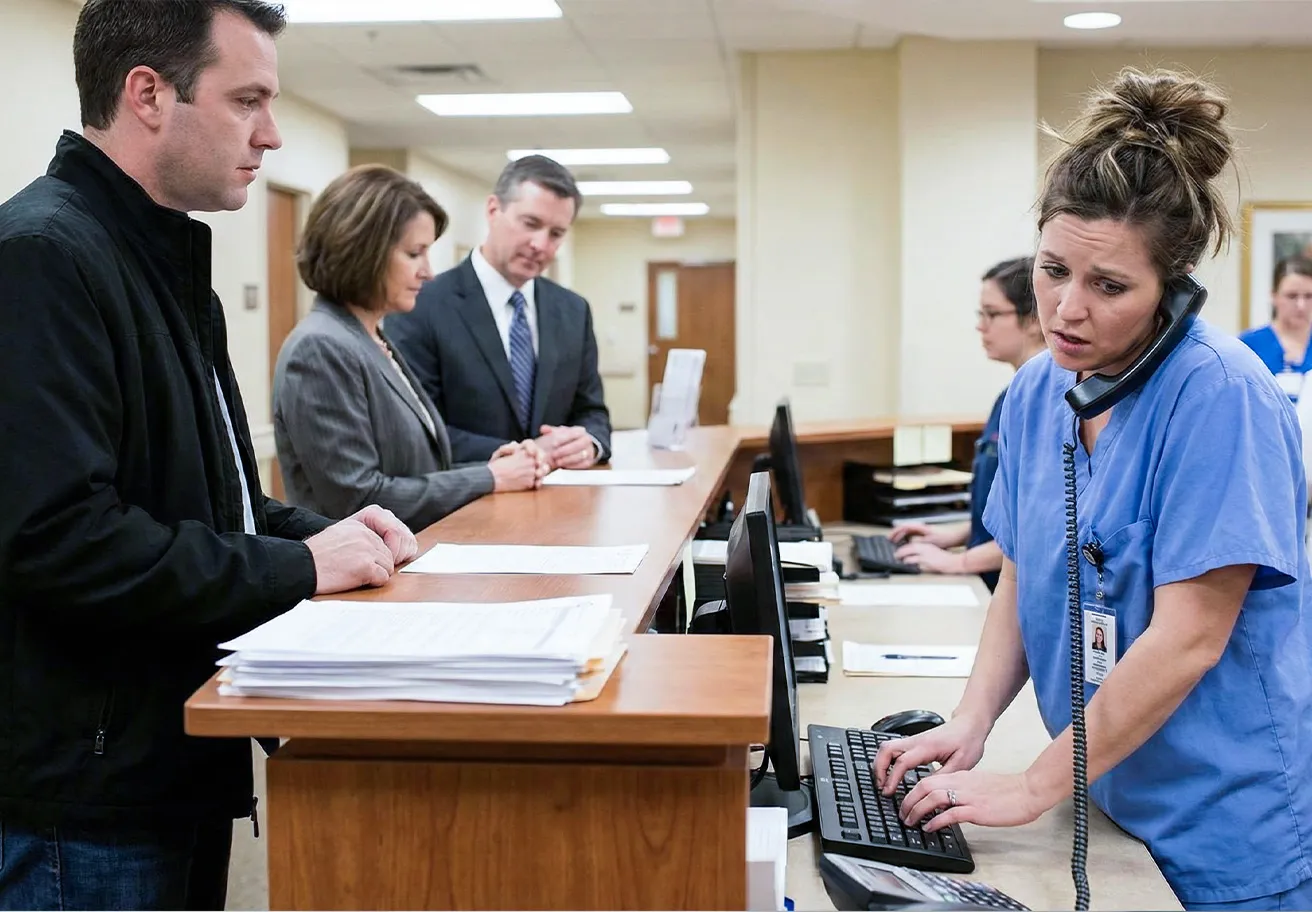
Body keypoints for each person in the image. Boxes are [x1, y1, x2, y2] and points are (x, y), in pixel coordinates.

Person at [0, 2, 418, 908]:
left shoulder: (164, 264)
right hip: (87, 798)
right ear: (147, 94)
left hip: (177, 756)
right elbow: (61, 539)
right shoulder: (42, 257)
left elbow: (216, 498)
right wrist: (302, 565)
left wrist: (340, 535)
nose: (270, 135)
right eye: (248, 100)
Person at [874, 67, 1312, 911]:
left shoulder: (1222, 397)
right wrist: (972, 722)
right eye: (1053, 270)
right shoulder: (1042, 390)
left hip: (1223, 816)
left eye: (1110, 287)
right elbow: (1024, 576)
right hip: (1107, 784)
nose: (1067, 311)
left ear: (1172, 292)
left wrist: (1036, 785)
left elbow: (1189, 638)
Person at [273, 165, 547, 532]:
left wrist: (495, 466)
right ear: (362, 251)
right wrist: (490, 477)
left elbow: (418, 471)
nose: (428, 272)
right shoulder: (320, 348)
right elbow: (358, 499)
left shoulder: (371, 337)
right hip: (361, 576)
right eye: (415, 253)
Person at [387, 155, 613, 468]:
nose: (541, 244)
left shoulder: (573, 310)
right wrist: (527, 453)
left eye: (556, 233)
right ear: (494, 210)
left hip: (562, 501)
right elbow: (416, 429)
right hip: (464, 502)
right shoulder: (421, 305)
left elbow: (592, 411)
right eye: (531, 224)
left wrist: (590, 442)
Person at [889, 256, 1045, 591]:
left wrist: (959, 561)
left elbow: (1039, 528)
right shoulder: (1010, 397)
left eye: (992, 313)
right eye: (981, 314)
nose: (981, 325)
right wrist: (955, 535)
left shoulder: (1046, 405)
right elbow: (1004, 507)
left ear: (1033, 319)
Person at [1239, 255, 1312, 399]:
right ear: (1274, 296)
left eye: (1309, 296)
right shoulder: (1248, 346)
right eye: (1292, 296)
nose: (1301, 306)